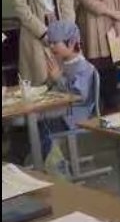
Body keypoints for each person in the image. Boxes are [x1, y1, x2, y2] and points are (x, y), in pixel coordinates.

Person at [38, 20, 98, 159]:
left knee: (38, 126)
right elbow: (56, 89)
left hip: (73, 116)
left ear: (71, 43)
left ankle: (54, 166)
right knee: (28, 127)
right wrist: (51, 80)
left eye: (54, 43)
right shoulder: (65, 64)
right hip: (63, 111)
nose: (51, 47)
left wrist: (58, 78)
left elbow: (79, 96)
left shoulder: (83, 67)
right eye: (50, 43)